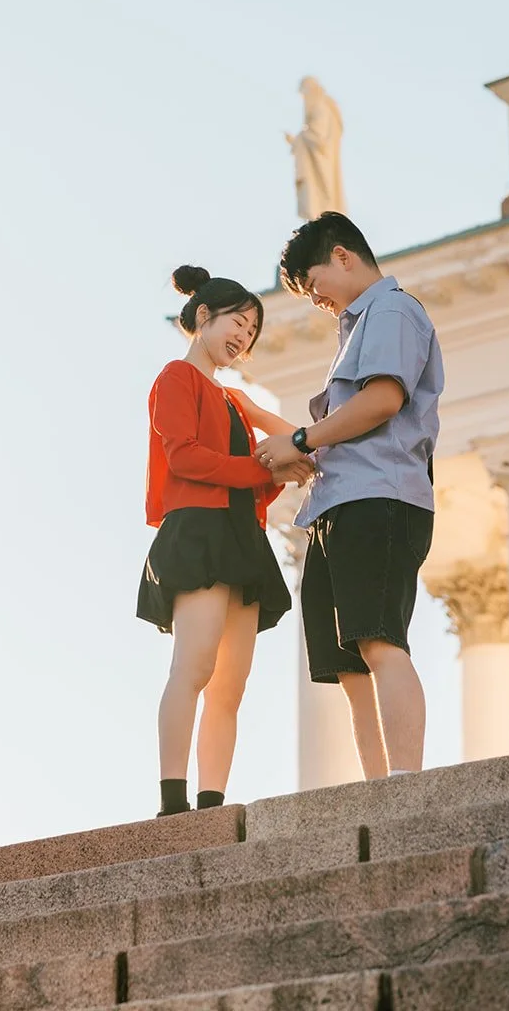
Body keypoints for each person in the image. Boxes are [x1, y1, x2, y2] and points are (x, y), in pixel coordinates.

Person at [255, 212, 444, 779]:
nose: (317, 300)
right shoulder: (357, 328)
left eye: (314, 286)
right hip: (336, 504)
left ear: (342, 256)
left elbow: (383, 398)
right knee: (349, 665)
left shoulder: (391, 310)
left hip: (378, 496)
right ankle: (378, 788)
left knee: (379, 639)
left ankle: (405, 786)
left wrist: (300, 437)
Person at [138, 265, 313, 817]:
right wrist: (266, 472)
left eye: (252, 332)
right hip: (198, 532)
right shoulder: (175, 377)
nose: (243, 338)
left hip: (243, 538)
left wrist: (309, 450)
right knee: (193, 667)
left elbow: (283, 430)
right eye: (238, 322)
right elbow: (184, 457)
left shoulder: (235, 399)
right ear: (204, 316)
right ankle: (173, 804)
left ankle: (211, 804)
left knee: (230, 686)